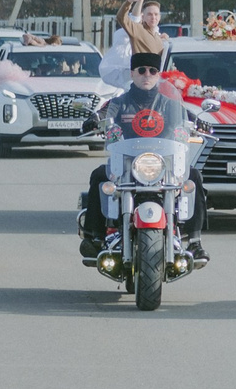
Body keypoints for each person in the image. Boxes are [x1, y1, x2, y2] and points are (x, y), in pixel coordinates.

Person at [78, 48, 212, 265]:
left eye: (152, 70)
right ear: (132, 73)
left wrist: (199, 123)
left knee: (193, 177)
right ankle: (96, 237)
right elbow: (104, 113)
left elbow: (186, 116)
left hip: (162, 165)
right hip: (127, 163)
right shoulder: (119, 103)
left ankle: (195, 241)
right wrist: (95, 119)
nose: (147, 75)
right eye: (141, 70)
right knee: (99, 175)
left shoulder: (169, 104)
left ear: (158, 75)